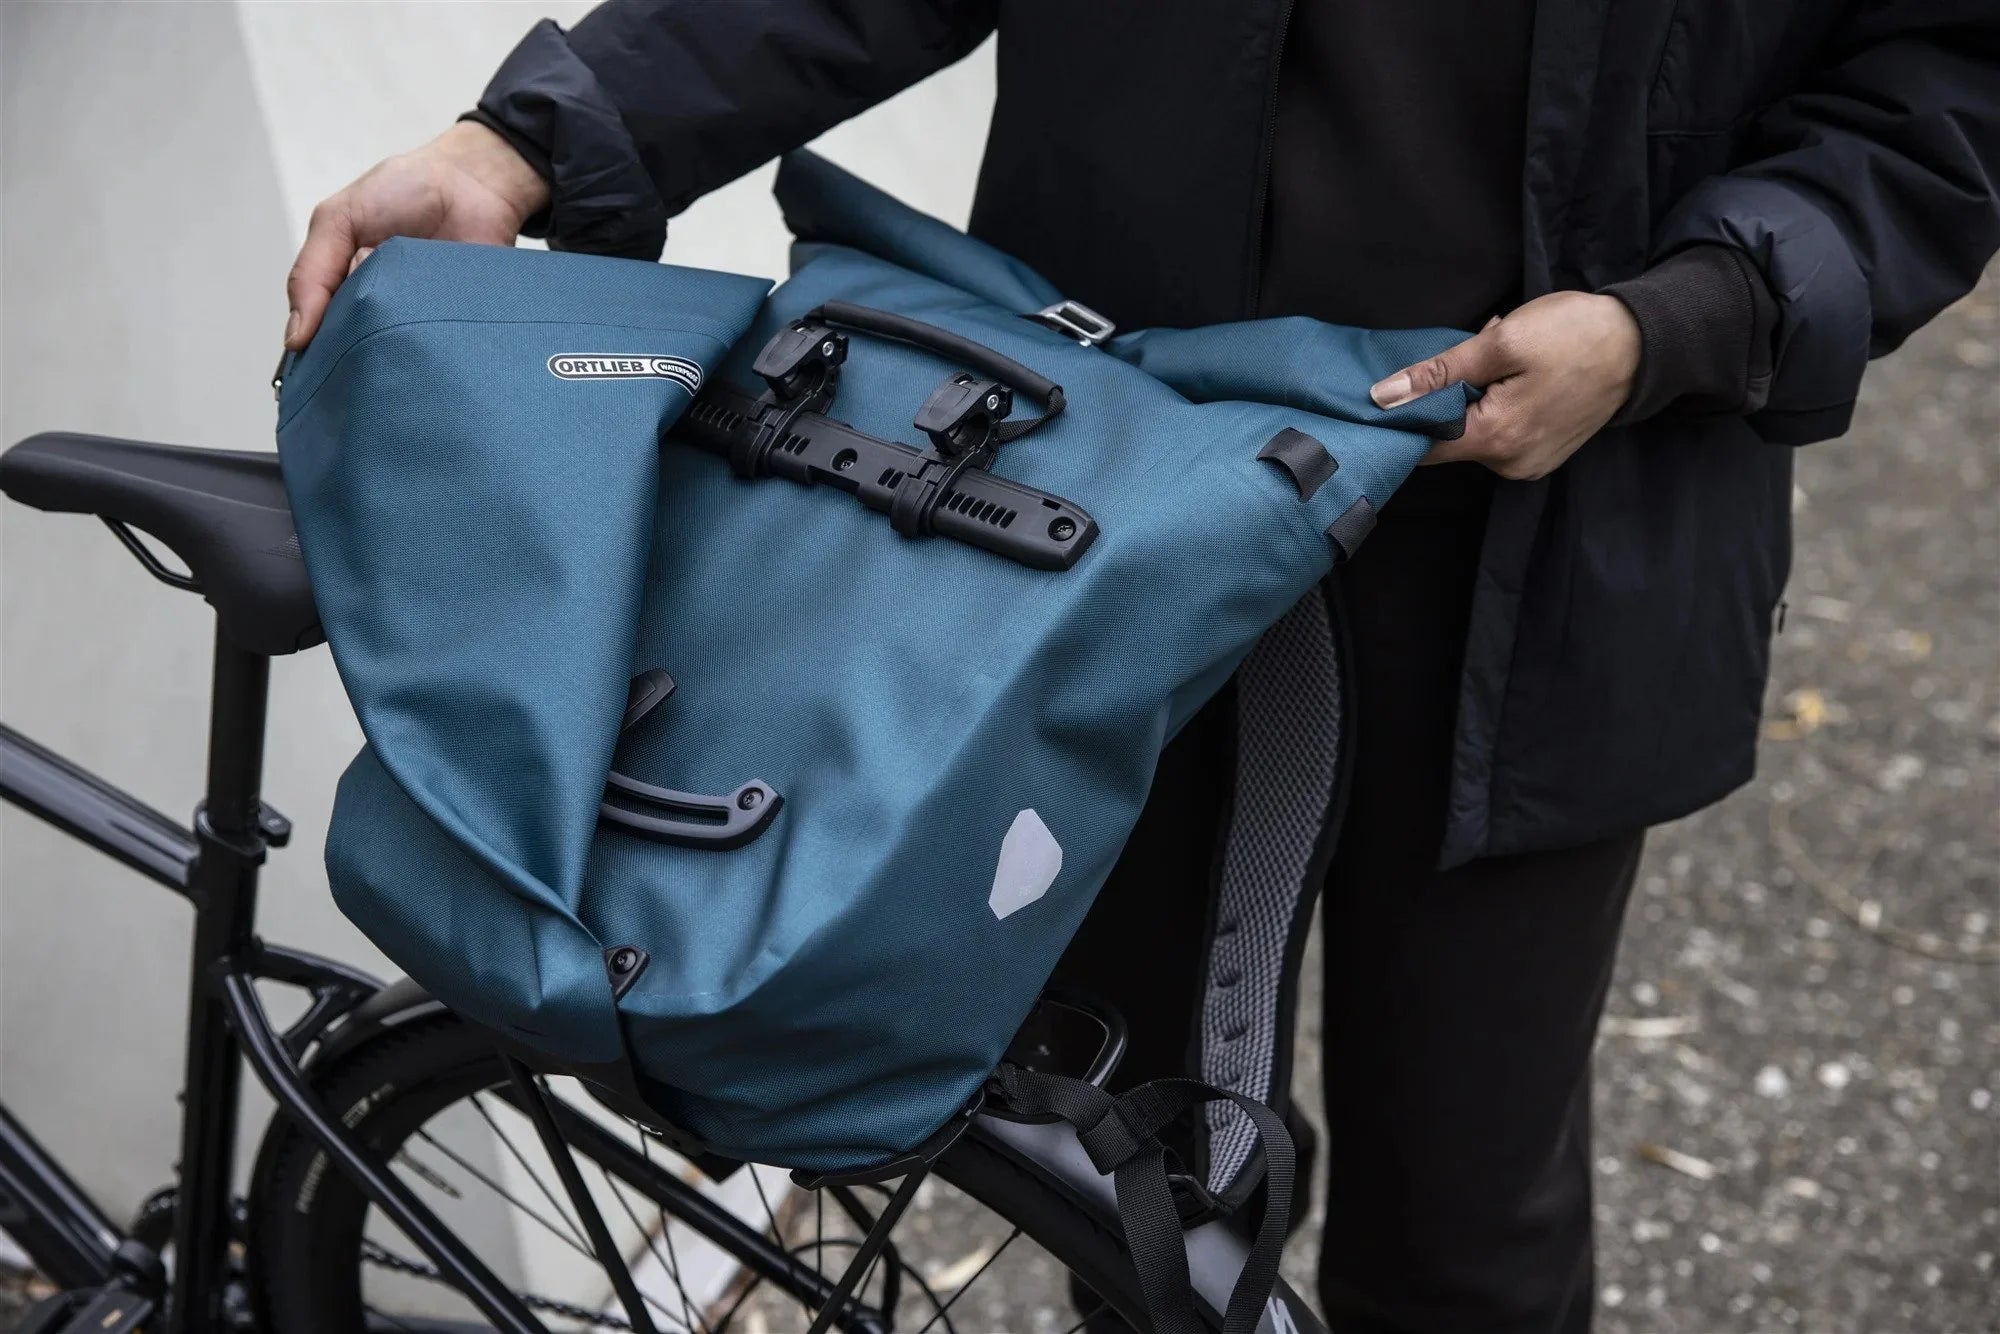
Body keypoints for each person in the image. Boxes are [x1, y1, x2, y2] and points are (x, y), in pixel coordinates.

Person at [284, 5, 2000, 1330]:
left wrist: (1675, 321)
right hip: (1087, 542)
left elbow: (1938, 84)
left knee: (1472, 1234)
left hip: (1547, 549)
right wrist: (526, 141)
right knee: (1130, 1188)